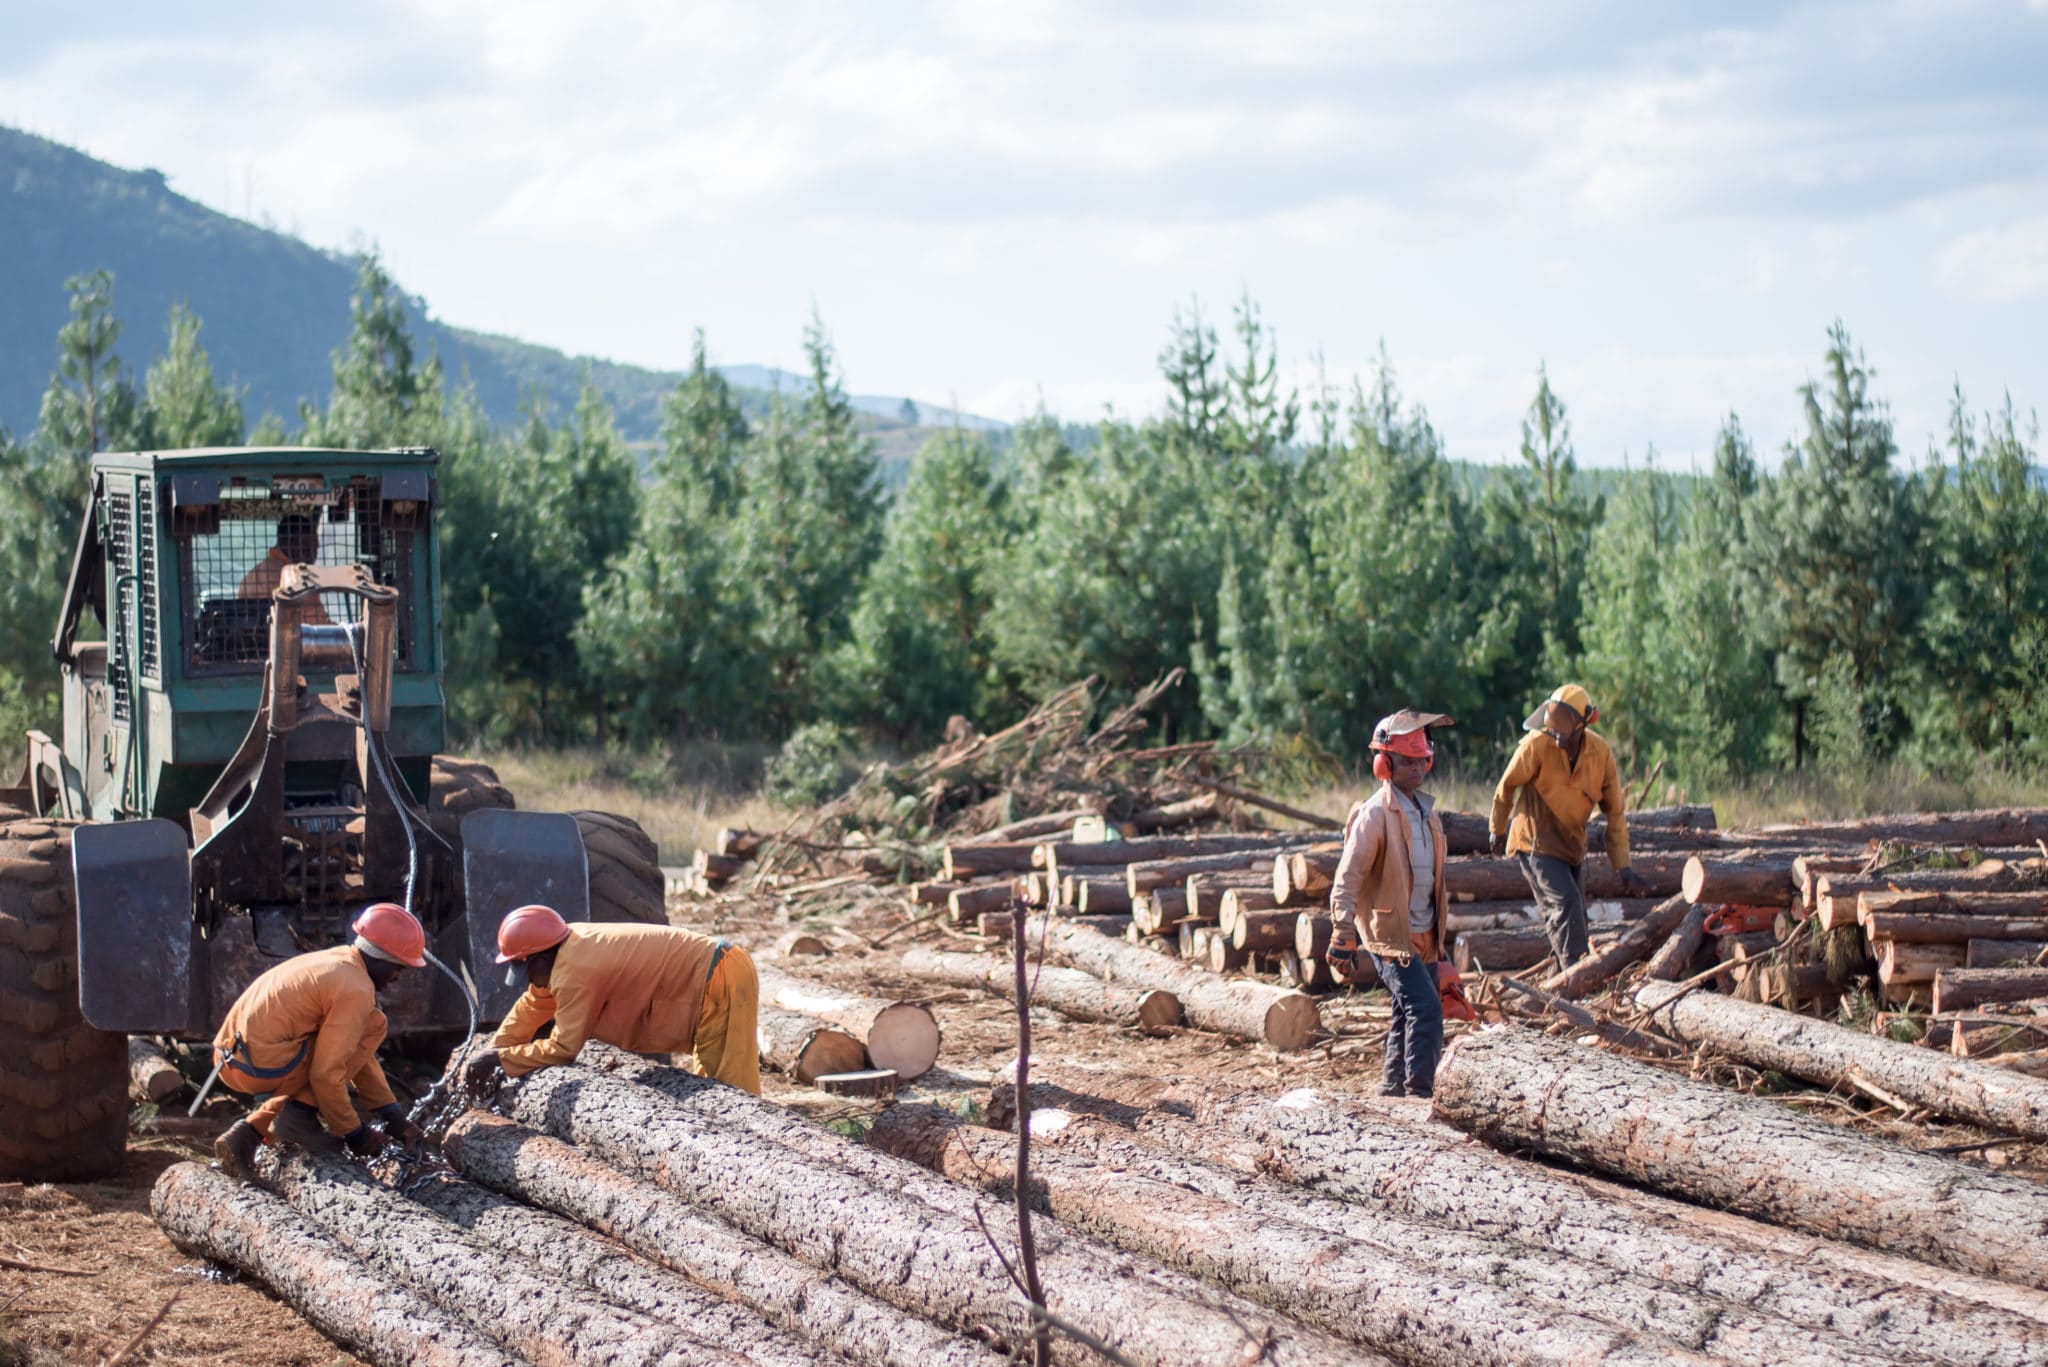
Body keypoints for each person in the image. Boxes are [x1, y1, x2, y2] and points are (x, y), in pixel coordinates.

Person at [211, 903, 427, 1180]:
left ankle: (247, 1134)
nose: (398, 978)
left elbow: (355, 1053)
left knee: (355, 1033)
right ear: (382, 957)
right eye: (399, 969)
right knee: (369, 1028)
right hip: (258, 1063)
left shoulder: (339, 962)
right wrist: (354, 1133)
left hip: (233, 1059)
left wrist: (392, 1115)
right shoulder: (356, 987)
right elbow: (327, 1072)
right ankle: (299, 1118)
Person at [463, 908, 761, 1096]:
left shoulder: (575, 970)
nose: (529, 981)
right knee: (712, 1092)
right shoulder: (562, 948)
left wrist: (500, 1061)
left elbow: (564, 1049)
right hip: (711, 975)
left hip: (722, 975)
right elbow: (533, 1004)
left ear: (542, 956)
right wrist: (496, 1049)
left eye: (526, 970)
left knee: (730, 1096)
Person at [1327, 710, 1453, 1098]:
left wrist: (1441, 949)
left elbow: (1432, 882)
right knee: (1426, 1012)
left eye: (1421, 760)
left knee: (1406, 1012)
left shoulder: (1427, 814)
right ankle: (1419, 1094)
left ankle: (1392, 1088)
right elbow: (1348, 875)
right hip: (1388, 935)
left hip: (1425, 934)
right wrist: (1342, 929)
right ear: (1385, 763)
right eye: (1407, 760)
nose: (1416, 768)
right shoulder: (1375, 814)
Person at [1489, 684, 1648, 968]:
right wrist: (1497, 829)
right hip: (1534, 840)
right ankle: (1576, 975)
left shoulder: (1600, 754)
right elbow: (1506, 786)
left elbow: (1615, 813)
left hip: (1571, 845)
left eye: (1564, 729)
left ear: (1583, 724)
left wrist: (1623, 867)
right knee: (1566, 904)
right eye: (1553, 727)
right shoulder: (1536, 744)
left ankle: (1560, 978)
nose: (1556, 734)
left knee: (1571, 913)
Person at [238, 511, 332, 624]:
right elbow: (317, 626)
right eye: (306, 550)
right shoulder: (298, 580)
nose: (312, 557)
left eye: (315, 550)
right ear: (285, 542)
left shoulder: (252, 577)